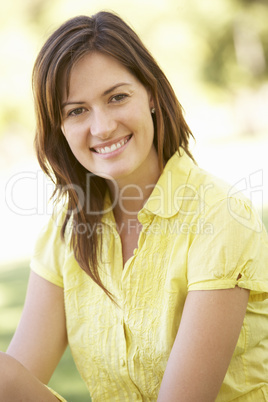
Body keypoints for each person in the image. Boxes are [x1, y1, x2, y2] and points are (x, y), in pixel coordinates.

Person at [1, 10, 268, 402]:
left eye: (117, 97)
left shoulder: (220, 217)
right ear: (59, 127)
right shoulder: (68, 229)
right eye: (77, 110)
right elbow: (14, 383)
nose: (103, 126)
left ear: (153, 96)